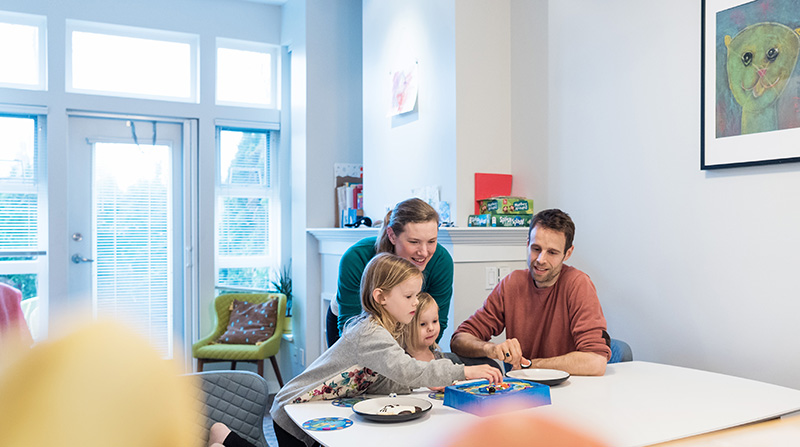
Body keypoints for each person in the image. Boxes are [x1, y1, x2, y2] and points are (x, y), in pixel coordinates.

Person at [271, 253, 502, 447]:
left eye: (416, 295)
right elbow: (407, 371)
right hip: (294, 410)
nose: (415, 303)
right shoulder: (369, 333)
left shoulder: (394, 328)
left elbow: (389, 377)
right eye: (408, 296)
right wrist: (464, 372)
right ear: (380, 297)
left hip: (321, 408)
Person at [450, 208, 611, 376]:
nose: (541, 260)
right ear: (527, 244)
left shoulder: (578, 285)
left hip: (570, 387)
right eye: (536, 249)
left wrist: (531, 365)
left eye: (552, 252)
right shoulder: (512, 284)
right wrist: (490, 349)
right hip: (523, 389)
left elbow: (595, 361)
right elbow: (459, 339)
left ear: (567, 253)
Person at [326, 197, 454, 347]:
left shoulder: (441, 261)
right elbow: (350, 330)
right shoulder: (356, 258)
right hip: (355, 325)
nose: (424, 253)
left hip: (408, 325)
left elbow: (436, 321)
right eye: (414, 242)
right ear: (392, 235)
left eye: (431, 241)